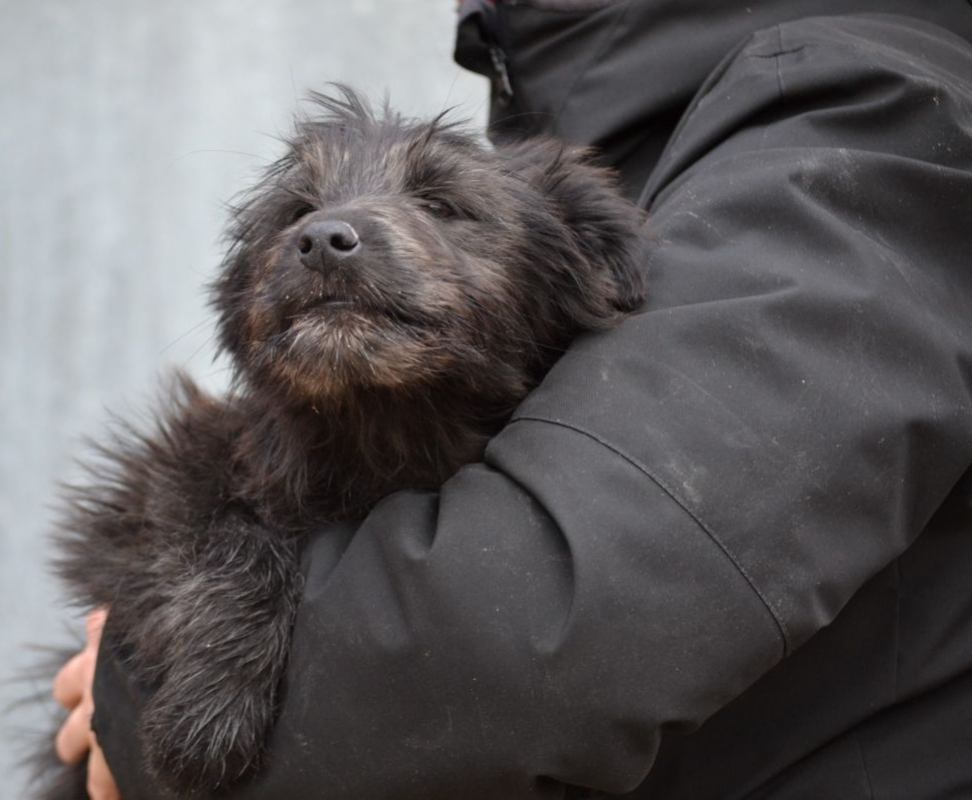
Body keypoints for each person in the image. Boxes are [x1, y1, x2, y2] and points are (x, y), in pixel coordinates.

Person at [54, 1, 972, 797]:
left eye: (444, 209)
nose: (328, 234)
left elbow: (551, 627)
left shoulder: (863, 105)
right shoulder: (209, 482)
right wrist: (222, 586)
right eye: (294, 215)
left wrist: (129, 705)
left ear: (595, 274)